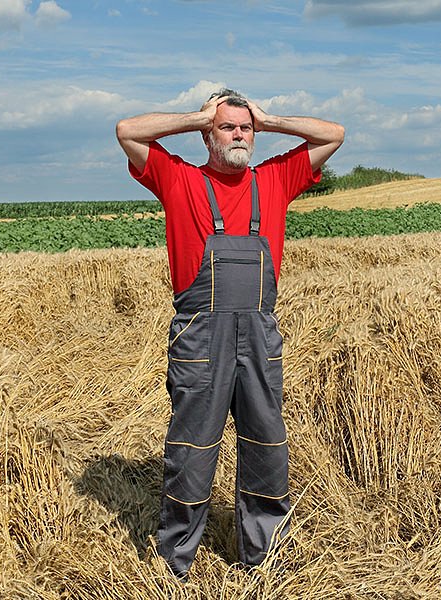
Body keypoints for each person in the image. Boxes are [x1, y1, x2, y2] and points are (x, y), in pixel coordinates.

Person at [115, 88, 344, 577]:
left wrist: (269, 118)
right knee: (193, 447)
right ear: (207, 134)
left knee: (266, 443)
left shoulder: (275, 179)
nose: (239, 135)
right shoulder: (179, 179)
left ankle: (262, 555)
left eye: (245, 128)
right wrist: (198, 115)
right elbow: (127, 131)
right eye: (226, 127)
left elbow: (335, 134)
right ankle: (175, 558)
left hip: (260, 334)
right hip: (201, 336)